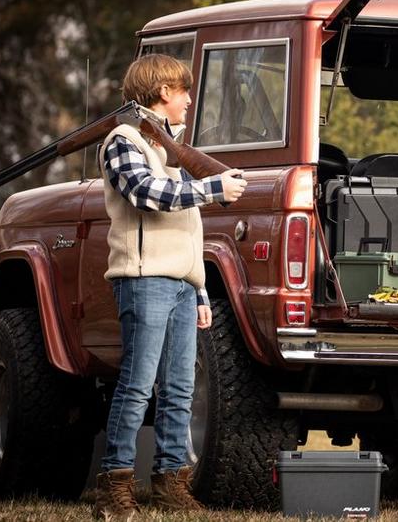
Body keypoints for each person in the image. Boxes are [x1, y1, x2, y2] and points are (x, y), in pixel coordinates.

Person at [92, 54, 247, 521]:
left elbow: (188, 228)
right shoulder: (123, 141)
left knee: (180, 388)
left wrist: (199, 290)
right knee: (138, 385)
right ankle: (114, 485)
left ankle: (170, 482)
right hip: (143, 280)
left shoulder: (172, 148)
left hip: (180, 283)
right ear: (162, 92)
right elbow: (147, 195)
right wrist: (213, 188)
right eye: (182, 91)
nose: (188, 99)